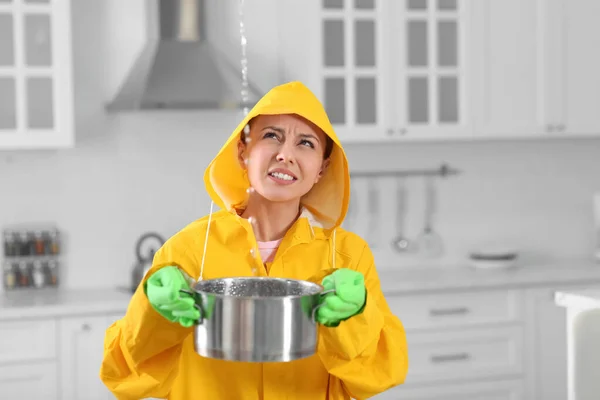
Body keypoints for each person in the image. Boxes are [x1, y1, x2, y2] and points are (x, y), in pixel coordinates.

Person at [100, 81, 408, 399]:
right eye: (271, 136)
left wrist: (354, 319)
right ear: (243, 151)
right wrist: (152, 314)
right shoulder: (189, 250)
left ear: (322, 168)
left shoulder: (345, 256)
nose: (285, 155)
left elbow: (380, 375)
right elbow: (123, 375)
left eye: (306, 143)